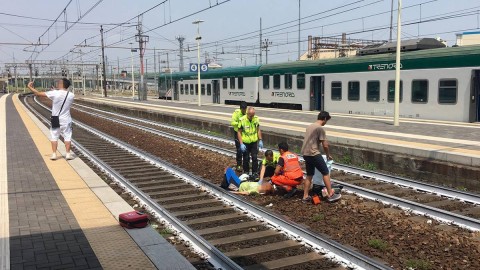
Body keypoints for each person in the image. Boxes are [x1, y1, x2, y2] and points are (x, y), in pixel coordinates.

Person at [27, 78, 75, 161]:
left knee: (54, 136)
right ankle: (68, 154)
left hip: (55, 118)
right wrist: (54, 92)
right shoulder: (71, 95)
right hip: (66, 119)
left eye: (59, 82)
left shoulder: (54, 93)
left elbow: (38, 93)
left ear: (61, 84)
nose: (57, 83)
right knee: (67, 136)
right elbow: (61, 98)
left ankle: (54, 154)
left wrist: (30, 87)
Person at [300, 111, 341, 203]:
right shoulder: (320, 128)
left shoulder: (310, 126)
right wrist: (327, 155)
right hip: (314, 153)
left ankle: (305, 196)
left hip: (306, 154)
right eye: (327, 120)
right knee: (325, 172)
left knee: (309, 175)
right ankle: (330, 194)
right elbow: (325, 145)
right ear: (325, 119)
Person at [237, 107, 263, 175]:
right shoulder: (242, 120)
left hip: (254, 142)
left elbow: (258, 130)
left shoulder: (256, 119)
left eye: (253, 115)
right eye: (251, 115)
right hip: (245, 142)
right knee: (246, 158)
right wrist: (241, 143)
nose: (252, 117)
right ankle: (246, 172)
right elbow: (239, 132)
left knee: (255, 157)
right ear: (247, 114)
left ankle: (255, 172)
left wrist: (260, 139)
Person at [231, 101, 247, 171]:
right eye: (243, 110)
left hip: (245, 133)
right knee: (239, 150)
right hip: (237, 133)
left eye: (245, 109)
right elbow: (232, 122)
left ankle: (245, 165)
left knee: (246, 150)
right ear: (240, 109)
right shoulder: (236, 113)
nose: (244, 111)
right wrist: (240, 124)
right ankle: (239, 165)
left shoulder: (247, 113)